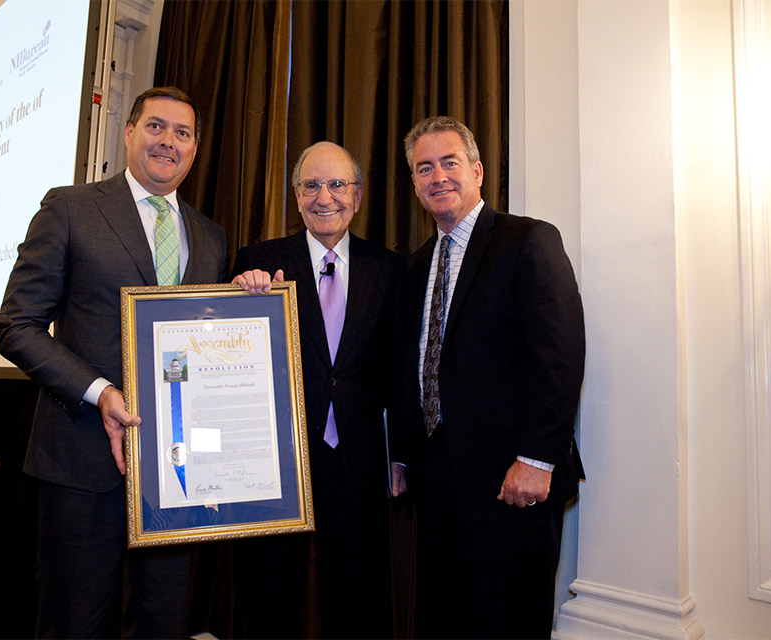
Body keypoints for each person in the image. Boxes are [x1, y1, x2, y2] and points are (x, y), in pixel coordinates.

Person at [0, 86, 227, 638]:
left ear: (195, 149)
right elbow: (17, 325)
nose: (168, 141)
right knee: (73, 622)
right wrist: (99, 391)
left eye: (183, 133)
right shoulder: (71, 208)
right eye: (155, 127)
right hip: (82, 459)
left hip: (178, 475)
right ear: (128, 133)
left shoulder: (212, 237)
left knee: (163, 623)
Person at [397, 116, 585, 639]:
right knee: (446, 620)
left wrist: (536, 459)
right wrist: (404, 456)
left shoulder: (528, 240)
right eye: (424, 168)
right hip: (436, 484)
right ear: (414, 183)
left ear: (478, 171)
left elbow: (561, 355)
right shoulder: (416, 268)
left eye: (449, 162)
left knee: (509, 624)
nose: (438, 176)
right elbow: (411, 367)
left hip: (513, 482)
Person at [230, 141, 406, 638]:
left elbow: (397, 371)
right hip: (279, 460)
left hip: (359, 458)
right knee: (271, 593)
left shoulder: (388, 270)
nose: (324, 196)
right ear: (295, 195)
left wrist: (401, 456)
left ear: (358, 195)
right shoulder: (259, 262)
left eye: (336, 184)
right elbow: (231, 355)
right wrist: (241, 295)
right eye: (310, 185)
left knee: (358, 595)